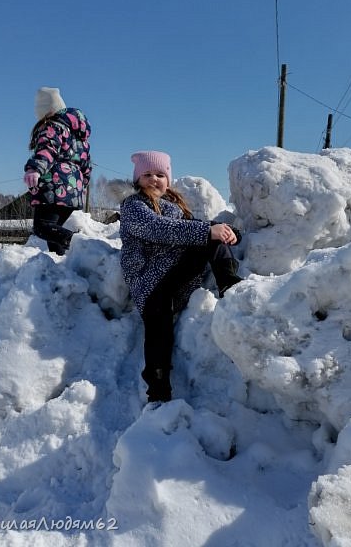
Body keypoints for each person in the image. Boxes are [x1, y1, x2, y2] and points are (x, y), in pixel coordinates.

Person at [119, 150, 243, 403]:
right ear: (137, 179)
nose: (155, 179)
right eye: (148, 174)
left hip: (173, 274)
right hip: (149, 282)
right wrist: (207, 231)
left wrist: (230, 231)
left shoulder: (173, 206)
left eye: (161, 175)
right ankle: (158, 391)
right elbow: (156, 229)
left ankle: (233, 290)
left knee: (212, 237)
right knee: (159, 332)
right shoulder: (133, 206)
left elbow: (198, 226)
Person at [23, 87, 92, 255]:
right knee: (54, 233)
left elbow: (47, 148)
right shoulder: (78, 135)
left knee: (42, 227)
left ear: (45, 110)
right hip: (72, 189)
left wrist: (35, 168)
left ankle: (80, 245)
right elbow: (86, 164)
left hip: (54, 186)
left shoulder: (52, 127)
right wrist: (81, 185)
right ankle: (62, 266)